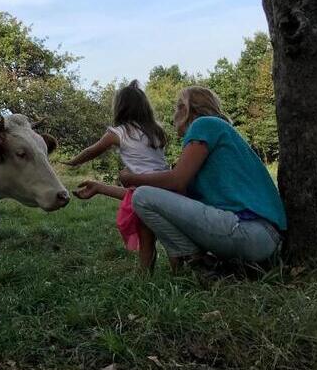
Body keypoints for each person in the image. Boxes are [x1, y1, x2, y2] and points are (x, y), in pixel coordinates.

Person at [119, 86, 285, 273]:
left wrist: (132, 177)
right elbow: (164, 198)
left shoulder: (204, 124)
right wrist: (100, 188)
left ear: (187, 109)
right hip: (259, 237)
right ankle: (207, 265)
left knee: (142, 196)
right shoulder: (213, 137)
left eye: (177, 107)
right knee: (142, 197)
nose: (173, 115)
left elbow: (176, 181)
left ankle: (196, 261)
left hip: (252, 230)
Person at [64, 80, 168, 271]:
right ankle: (179, 271)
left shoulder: (118, 133)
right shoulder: (158, 131)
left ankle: (145, 275)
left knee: (146, 238)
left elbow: (91, 151)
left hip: (144, 190)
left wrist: (73, 161)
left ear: (120, 108)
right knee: (169, 236)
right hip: (166, 186)